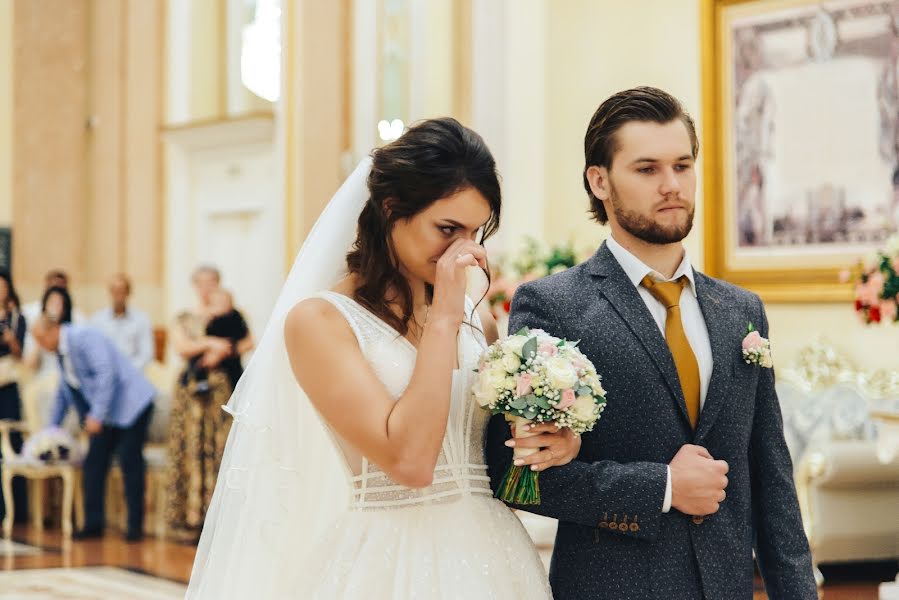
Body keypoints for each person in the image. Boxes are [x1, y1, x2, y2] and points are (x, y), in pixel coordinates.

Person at [186, 118, 582, 598]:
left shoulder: (479, 323)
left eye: (474, 232)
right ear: (392, 209)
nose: (463, 250)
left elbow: (499, 459)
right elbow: (410, 462)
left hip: (495, 557)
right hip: (391, 563)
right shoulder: (321, 322)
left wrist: (554, 443)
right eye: (447, 229)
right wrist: (442, 321)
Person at [486, 87, 816, 599]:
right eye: (647, 170)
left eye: (683, 166)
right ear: (600, 181)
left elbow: (772, 479)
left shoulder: (742, 312)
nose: (672, 186)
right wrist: (661, 487)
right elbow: (516, 475)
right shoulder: (553, 306)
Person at [31, 300, 155, 542]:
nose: (40, 346)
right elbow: (64, 393)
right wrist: (51, 429)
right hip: (108, 412)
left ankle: (134, 527)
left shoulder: (84, 336)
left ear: (53, 330)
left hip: (132, 405)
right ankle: (93, 523)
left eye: (40, 339)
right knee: (94, 464)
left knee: (130, 461)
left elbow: (106, 374)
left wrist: (96, 415)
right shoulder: (61, 354)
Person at [164, 271, 253, 543]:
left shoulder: (231, 314)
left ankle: (222, 517)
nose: (206, 288)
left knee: (219, 449)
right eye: (201, 283)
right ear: (194, 286)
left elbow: (248, 341)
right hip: (191, 395)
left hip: (220, 391)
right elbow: (182, 347)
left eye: (211, 283)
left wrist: (223, 350)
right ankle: (191, 518)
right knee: (191, 449)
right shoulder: (185, 317)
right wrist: (210, 343)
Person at [179, 288, 249, 395]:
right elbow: (187, 345)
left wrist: (221, 352)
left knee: (234, 375)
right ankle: (195, 380)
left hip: (229, 354)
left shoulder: (235, 317)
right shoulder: (206, 317)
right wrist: (210, 344)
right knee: (197, 363)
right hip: (208, 353)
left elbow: (245, 339)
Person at [0, 271, 27, 525]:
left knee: (12, 443)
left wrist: (10, 339)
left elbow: (20, 354)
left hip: (8, 384)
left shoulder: (17, 319)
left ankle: (17, 511)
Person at [91, 274, 154, 372]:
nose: (119, 295)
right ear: (110, 292)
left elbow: (146, 354)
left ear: (128, 293)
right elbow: (94, 351)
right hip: (105, 373)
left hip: (133, 373)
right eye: (115, 291)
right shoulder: (97, 320)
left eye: (122, 291)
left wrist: (127, 370)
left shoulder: (142, 319)